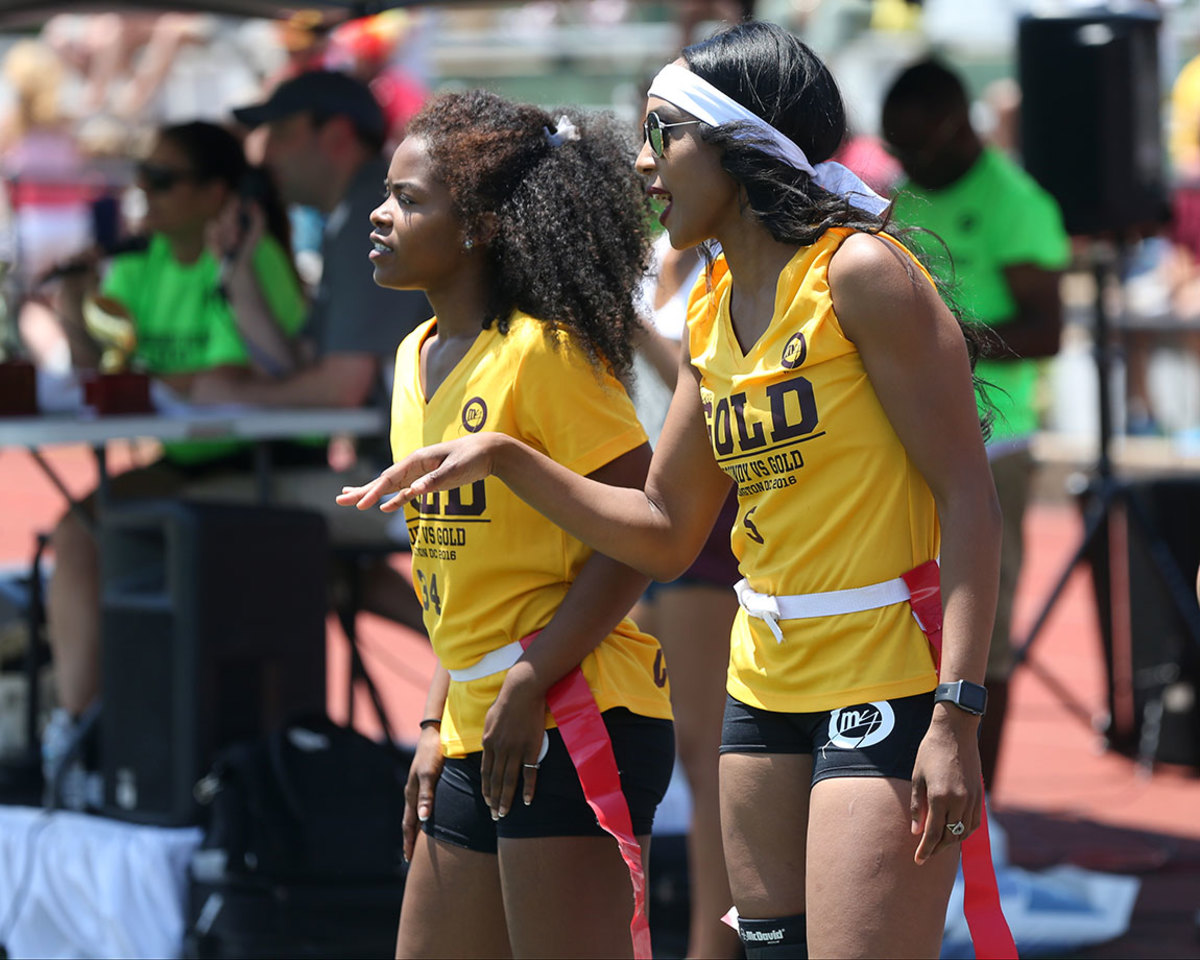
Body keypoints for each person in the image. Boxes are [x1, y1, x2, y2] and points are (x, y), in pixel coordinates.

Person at [342, 21, 1003, 959]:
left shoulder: (860, 274)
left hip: (887, 669)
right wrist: (504, 456)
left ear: (739, 145)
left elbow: (970, 499)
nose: (644, 164)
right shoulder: (708, 305)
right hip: (761, 681)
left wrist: (957, 713)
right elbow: (660, 531)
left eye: (664, 135)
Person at [341, 89, 675, 958]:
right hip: (475, 718)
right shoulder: (414, 359)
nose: (379, 215)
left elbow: (637, 542)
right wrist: (432, 719)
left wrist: (531, 680)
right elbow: (459, 576)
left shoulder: (545, 354)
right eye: (387, 192)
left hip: (574, 706)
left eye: (409, 201)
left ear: (480, 225)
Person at [45, 120, 308, 807]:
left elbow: (232, 378)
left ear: (214, 192)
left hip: (259, 464)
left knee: (93, 535)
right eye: (142, 176)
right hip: (187, 463)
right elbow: (99, 377)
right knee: (77, 534)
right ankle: (76, 734)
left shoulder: (254, 259)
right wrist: (74, 311)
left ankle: (80, 737)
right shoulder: (135, 264)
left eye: (162, 179)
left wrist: (154, 379)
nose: (143, 193)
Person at [882, 57, 1070, 789]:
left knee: (981, 637)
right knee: (910, 627)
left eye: (916, 147)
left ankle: (982, 819)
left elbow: (1048, 327)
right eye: (895, 148)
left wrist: (940, 343)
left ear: (958, 128)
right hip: (912, 445)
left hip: (997, 446)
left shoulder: (1016, 200)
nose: (905, 162)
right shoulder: (904, 197)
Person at [192, 70, 433, 630]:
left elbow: (337, 387)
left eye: (279, 133)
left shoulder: (373, 215)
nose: (262, 152)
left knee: (195, 509)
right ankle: (499, 670)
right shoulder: (358, 212)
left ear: (336, 135)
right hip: (417, 476)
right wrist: (242, 272)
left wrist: (236, 393)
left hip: (421, 486)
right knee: (328, 572)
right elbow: (300, 362)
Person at [630, 233, 741, 960]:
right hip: (627, 511)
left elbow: (703, 395)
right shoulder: (644, 258)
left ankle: (713, 949)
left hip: (701, 520)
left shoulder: (731, 264)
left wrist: (628, 323)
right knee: (633, 740)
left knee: (705, 756)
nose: (651, 158)